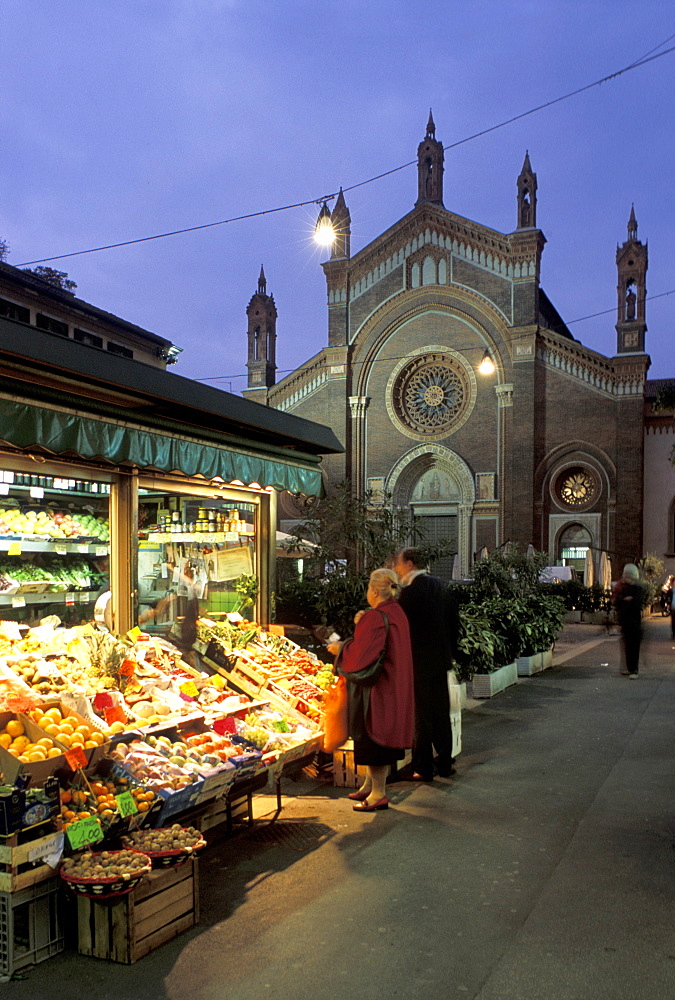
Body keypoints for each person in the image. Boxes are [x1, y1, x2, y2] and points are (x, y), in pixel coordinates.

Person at [327, 569, 414, 812]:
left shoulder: (376, 617)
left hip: (378, 691)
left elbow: (361, 656)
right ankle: (368, 785)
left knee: (374, 740)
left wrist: (340, 648)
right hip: (394, 686)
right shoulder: (395, 612)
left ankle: (377, 794)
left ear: (375, 591)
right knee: (379, 739)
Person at [393, 547, 458, 782]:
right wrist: (451, 652)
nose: (397, 569)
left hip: (417, 663)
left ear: (409, 564)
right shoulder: (441, 586)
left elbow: (402, 631)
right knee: (441, 712)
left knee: (421, 715)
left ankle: (422, 767)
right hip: (440, 660)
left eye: (398, 564)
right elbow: (454, 622)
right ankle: (445, 762)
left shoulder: (407, 594)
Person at [612, 563, 645, 678]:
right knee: (628, 646)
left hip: (634, 623)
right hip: (626, 622)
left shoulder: (637, 589)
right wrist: (626, 600)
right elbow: (617, 602)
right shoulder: (623, 587)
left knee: (633, 647)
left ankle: (633, 670)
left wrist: (625, 601)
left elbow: (636, 603)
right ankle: (629, 668)